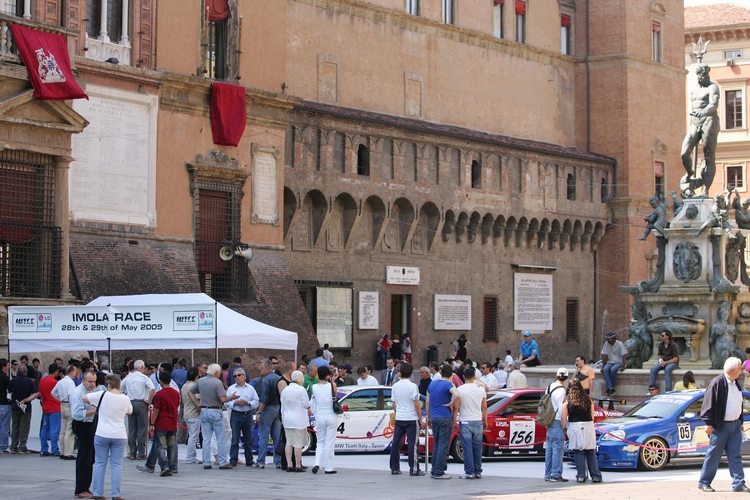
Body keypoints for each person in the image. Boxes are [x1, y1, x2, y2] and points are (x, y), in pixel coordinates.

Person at [698, 357, 749, 493]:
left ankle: (739, 483)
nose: (741, 371)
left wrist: (740, 421)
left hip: (735, 425)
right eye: (739, 368)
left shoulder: (735, 383)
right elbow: (708, 405)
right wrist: (709, 424)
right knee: (714, 454)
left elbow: (738, 402)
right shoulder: (716, 383)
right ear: (732, 370)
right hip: (721, 426)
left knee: (735, 455)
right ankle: (704, 482)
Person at [84, 374, 132, 500]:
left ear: (108, 385)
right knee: (116, 465)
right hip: (119, 434)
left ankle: (98, 493)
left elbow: (85, 398)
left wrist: (97, 406)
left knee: (99, 463)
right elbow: (129, 411)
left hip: (102, 433)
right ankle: (116, 494)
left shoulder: (102, 395)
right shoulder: (125, 398)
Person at [188, 363, 238, 470]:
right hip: (215, 410)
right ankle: (223, 462)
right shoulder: (217, 382)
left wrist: (197, 403)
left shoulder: (201, 381)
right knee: (221, 437)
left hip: (204, 410)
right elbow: (222, 399)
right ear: (216, 373)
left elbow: (190, 391)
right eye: (219, 372)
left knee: (206, 438)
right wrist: (232, 397)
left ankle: (206, 462)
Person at [680, 63, 720, 197]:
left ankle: (706, 190)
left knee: (709, 157)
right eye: (700, 74)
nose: (702, 77)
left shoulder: (713, 88)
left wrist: (703, 112)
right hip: (694, 122)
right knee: (684, 153)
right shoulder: (694, 90)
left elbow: (713, 105)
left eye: (704, 74)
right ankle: (690, 173)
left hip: (709, 120)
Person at [138, 371, 180, 476]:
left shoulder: (160, 394)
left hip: (162, 423)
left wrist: (152, 423)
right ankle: (172, 466)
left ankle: (164, 466)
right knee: (172, 446)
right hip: (172, 422)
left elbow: (156, 410)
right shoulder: (176, 393)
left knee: (160, 446)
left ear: (160, 381)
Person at [562, 378, 602, 483]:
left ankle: (581, 475)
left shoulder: (568, 401)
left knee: (578, 451)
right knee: (590, 451)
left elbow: (564, 417)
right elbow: (592, 416)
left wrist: (564, 428)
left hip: (574, 426)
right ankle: (595, 475)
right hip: (588, 425)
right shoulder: (588, 399)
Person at [389, 363, 423, 476]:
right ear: (411, 373)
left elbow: (394, 404)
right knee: (413, 444)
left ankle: (394, 467)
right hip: (411, 418)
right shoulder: (413, 386)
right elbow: (416, 404)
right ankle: (414, 468)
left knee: (396, 443)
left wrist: (397, 413)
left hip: (400, 417)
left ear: (400, 373)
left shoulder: (395, 386)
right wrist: (420, 418)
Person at [427, 364, 460, 479]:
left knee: (436, 444)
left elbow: (427, 402)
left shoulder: (432, 383)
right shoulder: (448, 384)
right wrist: (450, 404)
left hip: (434, 416)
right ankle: (440, 471)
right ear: (451, 374)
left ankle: (434, 469)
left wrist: (429, 416)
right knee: (443, 445)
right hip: (445, 416)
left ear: (440, 373)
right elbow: (457, 395)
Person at [71, 371, 100, 498]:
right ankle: (80, 488)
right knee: (83, 457)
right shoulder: (78, 393)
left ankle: (86, 486)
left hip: (91, 423)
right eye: (90, 381)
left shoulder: (91, 392)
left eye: (94, 381)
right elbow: (77, 414)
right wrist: (94, 410)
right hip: (82, 424)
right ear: (83, 380)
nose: (92, 384)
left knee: (90, 457)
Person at [456, 366, 487, 480]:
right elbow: (484, 406)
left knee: (467, 447)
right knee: (477, 447)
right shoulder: (481, 389)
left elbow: (456, 407)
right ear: (474, 377)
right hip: (478, 420)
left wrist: (455, 418)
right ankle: (478, 470)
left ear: (464, 376)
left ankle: (469, 471)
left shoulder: (460, 389)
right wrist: (486, 420)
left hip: (465, 420)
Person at [120, 360, 155, 460]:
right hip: (141, 403)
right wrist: (149, 401)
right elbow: (153, 390)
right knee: (142, 429)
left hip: (130, 403)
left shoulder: (128, 377)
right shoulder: (144, 378)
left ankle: (132, 452)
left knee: (132, 429)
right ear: (142, 368)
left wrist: (125, 396)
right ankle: (141, 453)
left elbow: (120, 389)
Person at [226, 366, 259, 467]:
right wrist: (234, 403)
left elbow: (256, 401)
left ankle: (249, 459)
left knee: (248, 438)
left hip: (247, 414)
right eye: (235, 376)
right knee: (235, 438)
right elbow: (226, 403)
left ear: (244, 376)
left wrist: (248, 403)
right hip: (236, 414)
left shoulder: (250, 388)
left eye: (239, 375)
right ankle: (233, 459)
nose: (237, 377)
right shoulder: (231, 388)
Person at [281, 370, 311, 472]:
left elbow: (283, 406)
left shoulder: (285, 390)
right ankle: (298, 464)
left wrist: (283, 419)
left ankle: (289, 464)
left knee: (288, 442)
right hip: (298, 419)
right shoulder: (301, 389)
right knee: (298, 443)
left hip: (287, 418)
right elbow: (306, 404)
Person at [256, 359, 283, 468]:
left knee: (264, 436)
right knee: (277, 437)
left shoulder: (266, 380)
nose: (260, 370)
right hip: (278, 408)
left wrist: (259, 412)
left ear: (267, 368)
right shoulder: (278, 378)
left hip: (268, 409)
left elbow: (264, 398)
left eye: (261, 367)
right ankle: (279, 461)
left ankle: (261, 461)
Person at [311, 366, 338, 474]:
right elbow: (334, 396)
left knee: (320, 441)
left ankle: (317, 463)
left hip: (320, 415)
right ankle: (329, 467)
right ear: (328, 375)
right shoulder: (332, 385)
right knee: (329, 442)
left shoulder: (314, 387)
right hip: (331, 414)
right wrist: (333, 381)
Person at [544, 368, 569, 483]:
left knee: (549, 449)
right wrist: (564, 425)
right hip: (557, 420)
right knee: (558, 449)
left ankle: (548, 474)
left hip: (548, 419)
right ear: (566, 378)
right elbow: (561, 408)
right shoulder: (562, 390)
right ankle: (556, 474)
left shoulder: (549, 387)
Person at [8, 364, 38, 454]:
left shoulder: (13, 380)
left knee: (15, 426)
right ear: (26, 372)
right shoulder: (29, 381)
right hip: (26, 407)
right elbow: (35, 394)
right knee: (24, 427)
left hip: (14, 406)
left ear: (18, 371)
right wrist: (25, 400)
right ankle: (22, 447)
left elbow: (9, 390)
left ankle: (13, 447)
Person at [52, 364, 79, 460]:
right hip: (69, 405)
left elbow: (53, 393)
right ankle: (68, 453)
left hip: (62, 405)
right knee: (69, 430)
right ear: (72, 372)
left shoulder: (60, 382)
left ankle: (62, 451)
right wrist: (74, 406)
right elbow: (70, 396)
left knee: (63, 430)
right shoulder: (70, 382)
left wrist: (60, 400)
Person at [38, 364, 61, 456]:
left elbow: (40, 393)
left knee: (44, 429)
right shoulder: (55, 382)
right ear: (56, 371)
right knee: (54, 429)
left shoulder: (42, 381)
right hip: (54, 407)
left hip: (45, 407)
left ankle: (44, 449)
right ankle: (54, 449)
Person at [181, 367, 202, 465]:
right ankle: (190, 457)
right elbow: (198, 399)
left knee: (192, 436)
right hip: (194, 413)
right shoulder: (195, 387)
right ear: (196, 377)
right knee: (193, 437)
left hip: (186, 412)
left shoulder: (184, 386)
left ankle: (191, 456)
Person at [600, 331, 627, 396]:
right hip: (611, 361)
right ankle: (610, 387)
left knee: (613, 370)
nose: (607, 340)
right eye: (607, 339)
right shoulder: (606, 344)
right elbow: (605, 356)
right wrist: (603, 366)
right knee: (606, 369)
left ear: (614, 338)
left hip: (619, 362)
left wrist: (623, 365)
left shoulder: (620, 344)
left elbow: (624, 355)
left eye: (609, 339)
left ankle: (612, 385)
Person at [0, 359, 10, 454]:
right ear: (3, 367)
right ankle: (2, 446)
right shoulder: (4, 377)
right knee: (4, 426)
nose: (9, 367)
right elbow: (10, 388)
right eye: (7, 365)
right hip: (3, 403)